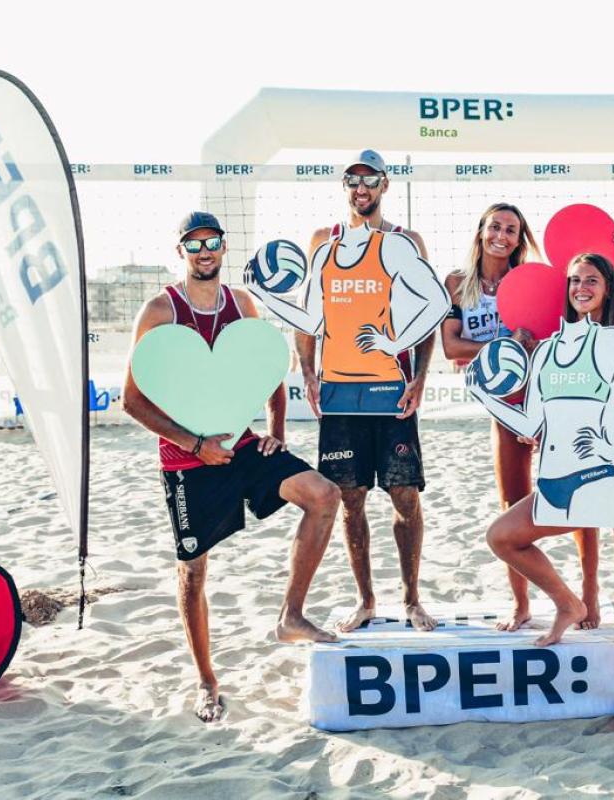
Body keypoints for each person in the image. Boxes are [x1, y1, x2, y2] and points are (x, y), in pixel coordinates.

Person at [123, 211, 342, 723]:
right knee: (194, 572)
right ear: (180, 251)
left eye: (212, 242)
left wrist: (277, 431)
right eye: (193, 243)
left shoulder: (242, 303)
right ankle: (206, 680)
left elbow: (267, 368)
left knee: (323, 494)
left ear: (224, 247)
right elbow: (132, 401)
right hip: (187, 459)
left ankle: (291, 615)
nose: (204, 251)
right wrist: (193, 443)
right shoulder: (159, 310)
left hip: (242, 447)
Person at [478, 252, 614, 733]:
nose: (580, 287)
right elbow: (546, 415)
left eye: (590, 280)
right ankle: (569, 603)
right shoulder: (556, 345)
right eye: (573, 281)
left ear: (608, 286)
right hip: (582, 476)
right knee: (504, 535)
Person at [440, 204, 614, 631]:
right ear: (481, 230)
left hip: (550, 399)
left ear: (520, 237)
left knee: (578, 493)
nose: (501, 236)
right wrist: (506, 345)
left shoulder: (535, 279)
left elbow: (590, 291)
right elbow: (452, 348)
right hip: (505, 402)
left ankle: (590, 594)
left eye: (511, 229)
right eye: (495, 226)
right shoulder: (457, 284)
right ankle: (521, 605)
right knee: (511, 502)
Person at [295, 150, 442, 632]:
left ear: (384, 185)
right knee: (350, 498)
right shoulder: (324, 241)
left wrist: (420, 376)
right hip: (339, 394)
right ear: (345, 186)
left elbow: (428, 315)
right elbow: (307, 315)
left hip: (391, 391)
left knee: (403, 495)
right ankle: (366, 601)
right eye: (353, 180)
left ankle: (412, 598)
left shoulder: (405, 241)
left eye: (370, 180)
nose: (362, 188)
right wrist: (309, 373)